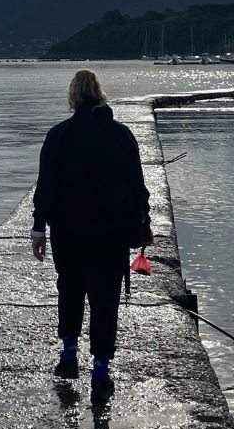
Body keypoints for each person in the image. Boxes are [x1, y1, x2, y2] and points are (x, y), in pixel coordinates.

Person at [31, 69, 151, 398]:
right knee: (105, 300)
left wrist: (38, 228)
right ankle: (100, 371)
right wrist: (144, 225)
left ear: (73, 97)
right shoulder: (122, 136)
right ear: (100, 94)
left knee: (70, 290)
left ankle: (69, 356)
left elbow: (46, 187)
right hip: (111, 235)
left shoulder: (58, 135)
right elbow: (138, 188)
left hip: (68, 233)